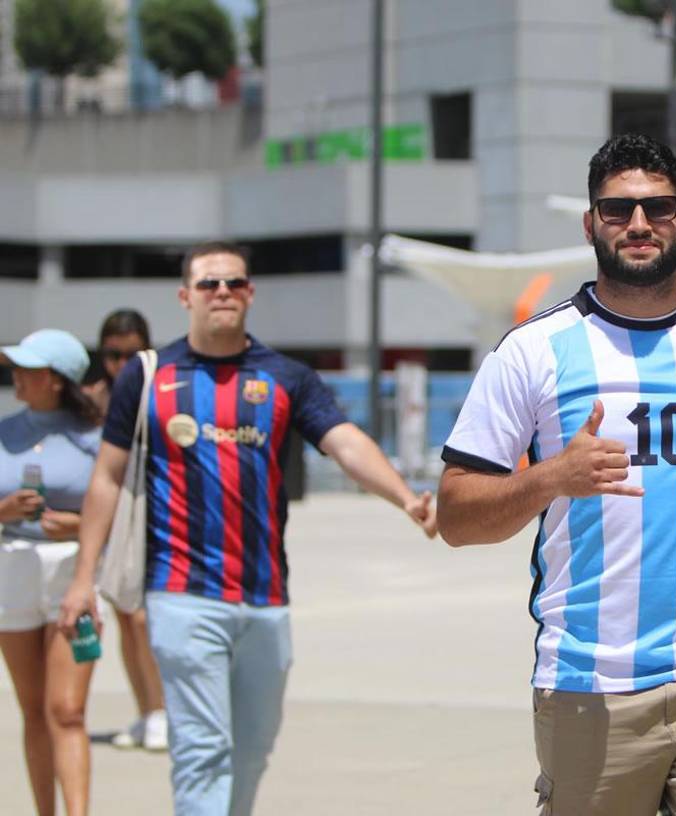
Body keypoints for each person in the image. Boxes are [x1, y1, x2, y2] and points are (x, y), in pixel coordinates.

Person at [437, 134, 676, 815]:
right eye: (617, 210)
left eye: (657, 208)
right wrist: (550, 477)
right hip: (589, 685)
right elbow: (458, 516)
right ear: (591, 224)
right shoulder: (532, 353)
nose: (638, 224)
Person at [58, 241, 438, 816]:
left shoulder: (285, 377)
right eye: (209, 284)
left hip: (265, 599)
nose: (223, 294)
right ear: (185, 296)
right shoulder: (149, 377)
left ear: (250, 294)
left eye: (234, 283)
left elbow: (345, 443)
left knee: (254, 747)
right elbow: (107, 478)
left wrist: (406, 498)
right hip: (181, 593)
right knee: (204, 747)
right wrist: (83, 578)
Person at [0, 329, 99, 816]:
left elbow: (129, 512)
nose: (15, 375)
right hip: (11, 568)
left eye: (28, 368)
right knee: (33, 709)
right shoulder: (3, 430)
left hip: (73, 576)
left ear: (57, 380)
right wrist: (3, 511)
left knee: (67, 709)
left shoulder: (97, 438)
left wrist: (79, 524)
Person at [82, 309, 168, 751]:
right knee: (122, 617)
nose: (120, 364)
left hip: (145, 516)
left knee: (140, 619)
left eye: (130, 354)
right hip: (102, 521)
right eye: (113, 355)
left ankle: (160, 711)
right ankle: (145, 710)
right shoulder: (90, 400)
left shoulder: (157, 394)